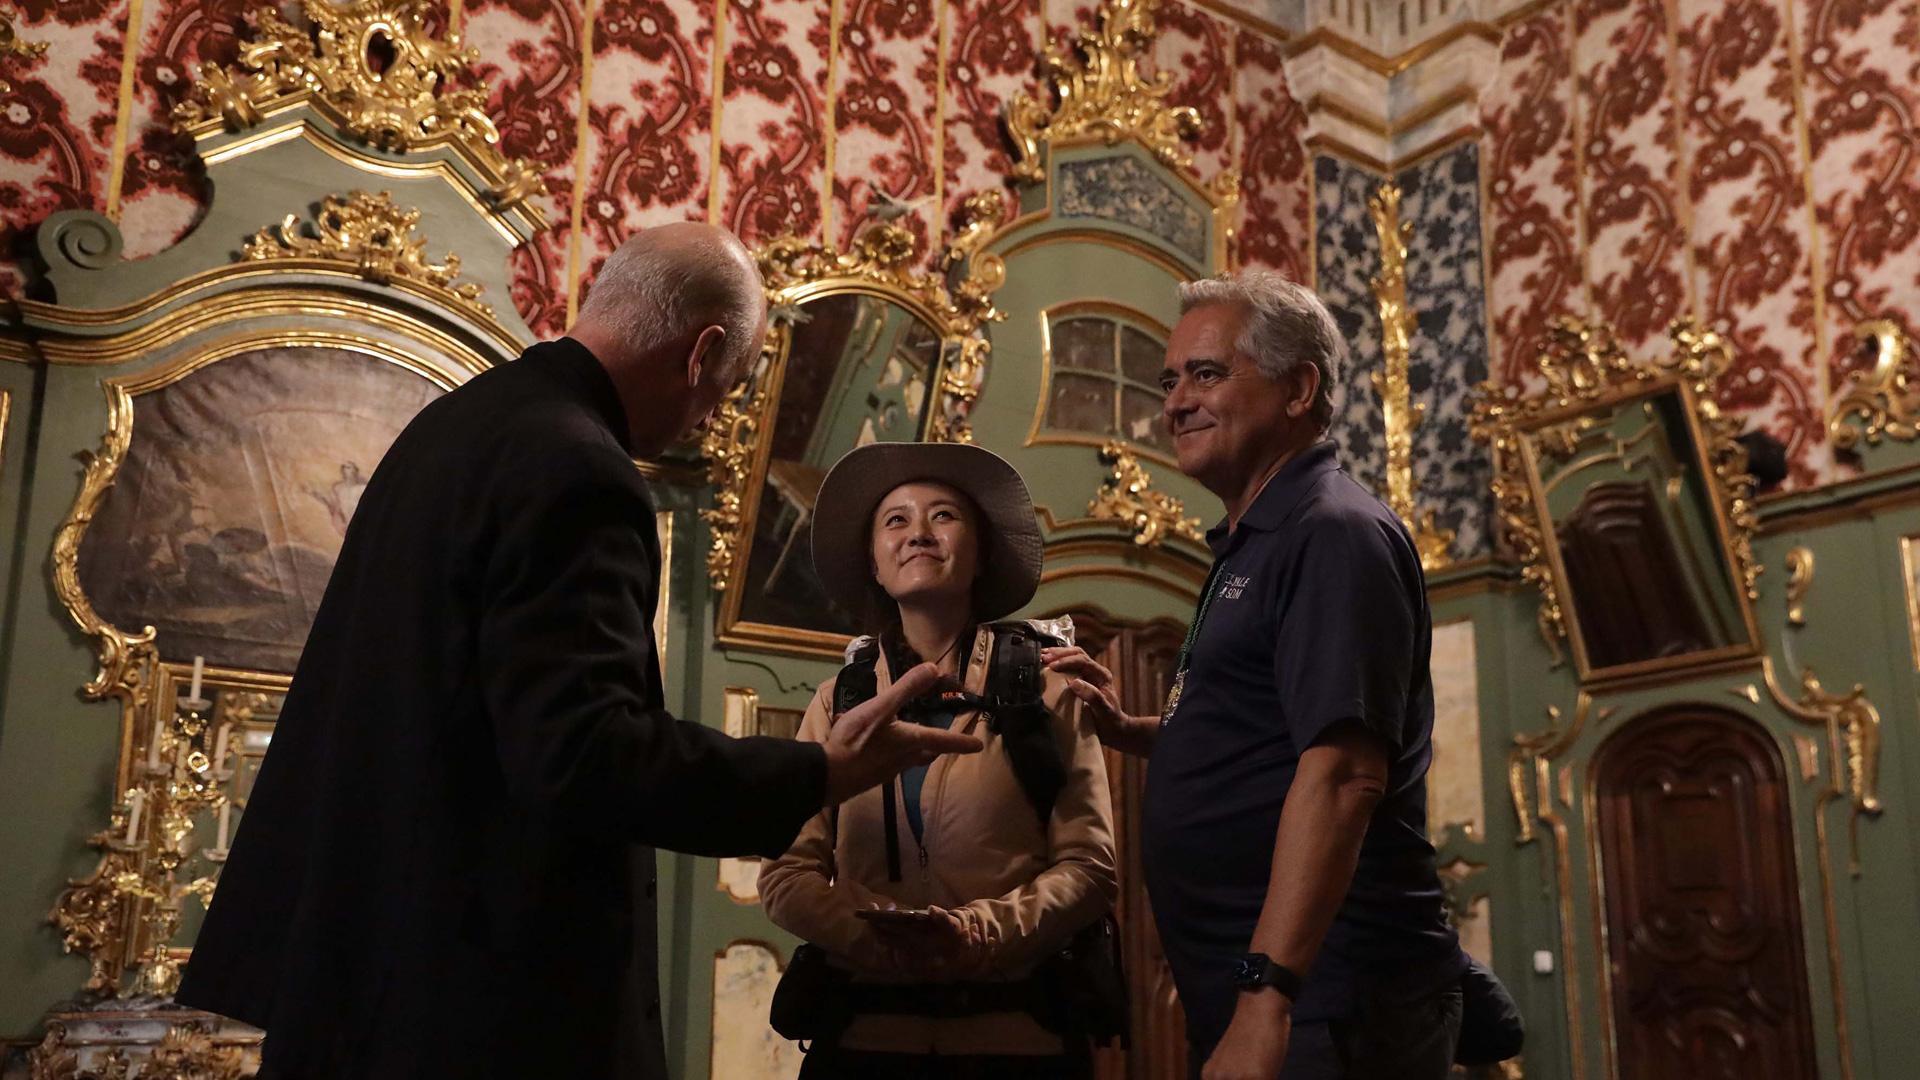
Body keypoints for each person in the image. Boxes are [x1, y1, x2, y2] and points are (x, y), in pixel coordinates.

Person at [175, 223, 981, 1080]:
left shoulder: (453, 426)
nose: (710, 418)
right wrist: (821, 771)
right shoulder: (579, 469)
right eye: (729, 389)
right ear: (702, 352)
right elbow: (582, 753)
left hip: (362, 976)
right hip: (476, 1006)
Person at [1047, 270, 1467, 1079]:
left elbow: (1345, 774)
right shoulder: (1260, 536)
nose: (1174, 403)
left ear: (1299, 387)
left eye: (1206, 374)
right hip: (1275, 990)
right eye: (1169, 381)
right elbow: (1278, 728)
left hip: (1330, 998)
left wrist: (1267, 995)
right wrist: (1141, 733)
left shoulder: (1333, 533)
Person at [759, 441, 1118, 1078]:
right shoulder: (836, 702)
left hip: (1019, 1046)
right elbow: (788, 874)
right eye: (895, 520)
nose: (919, 532)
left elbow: (1090, 866)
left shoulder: (1049, 692)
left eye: (944, 516)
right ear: (873, 561)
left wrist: (980, 933)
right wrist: (883, 945)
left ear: (981, 554)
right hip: (865, 1045)